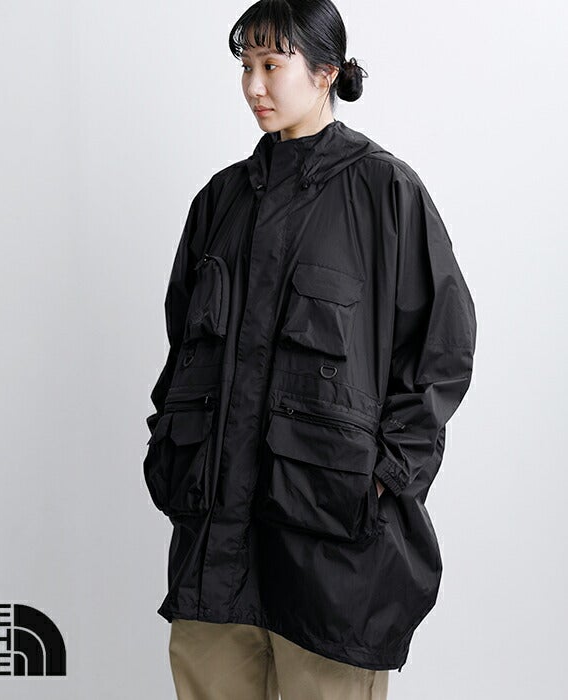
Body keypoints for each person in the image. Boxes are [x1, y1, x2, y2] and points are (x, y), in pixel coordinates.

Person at [142, 1, 477, 698]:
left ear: (326, 72)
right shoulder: (219, 202)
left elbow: (441, 350)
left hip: (331, 550)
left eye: (272, 65)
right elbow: (181, 352)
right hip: (215, 552)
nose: (253, 86)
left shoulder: (386, 192)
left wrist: (385, 478)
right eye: (246, 67)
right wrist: (170, 450)